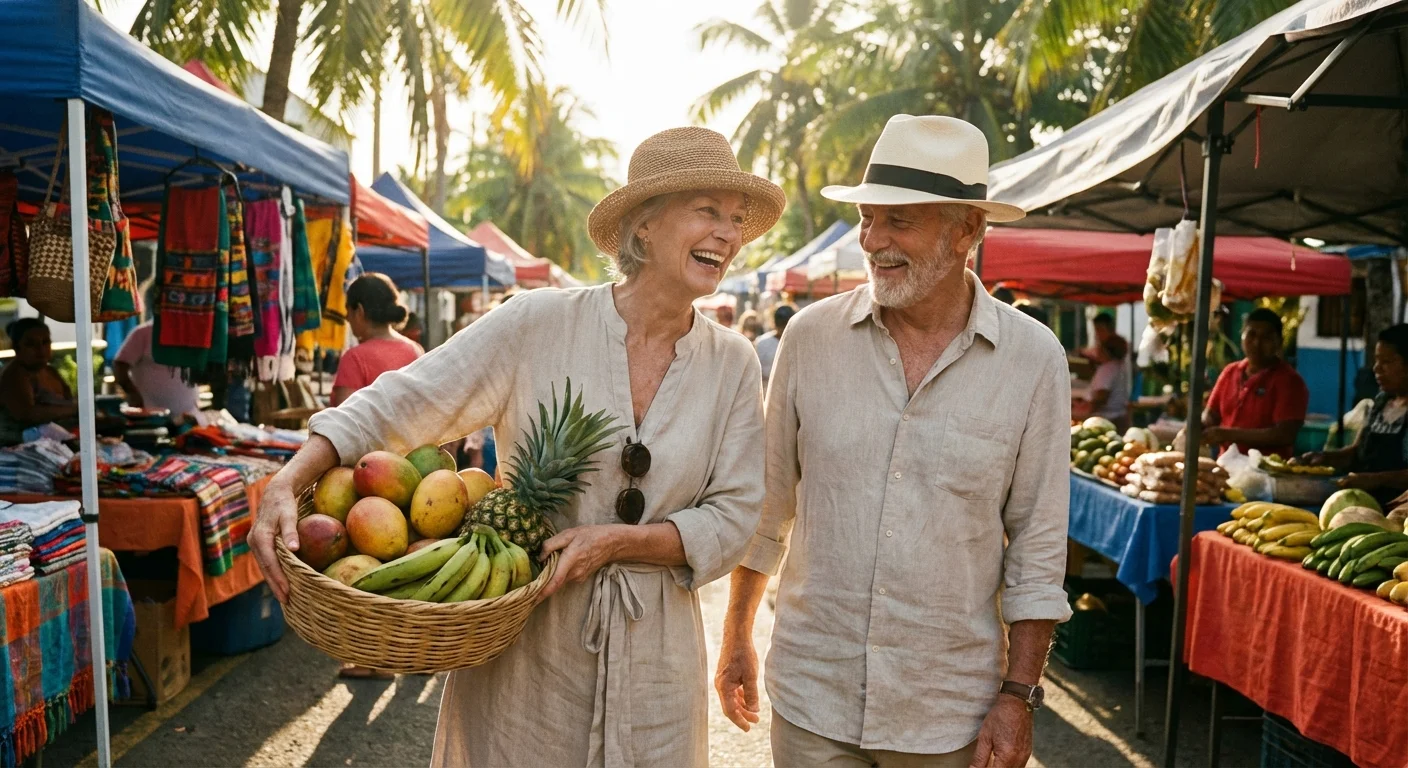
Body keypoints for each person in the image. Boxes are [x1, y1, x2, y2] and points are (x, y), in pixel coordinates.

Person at [250, 126, 784, 767]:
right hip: (528, 644)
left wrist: (621, 542)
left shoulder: (730, 362)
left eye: (735, 219)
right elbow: (402, 402)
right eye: (707, 212)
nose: (728, 234)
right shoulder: (536, 323)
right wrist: (288, 479)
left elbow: (734, 515)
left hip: (657, 663)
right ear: (644, 226)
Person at [716, 115, 1072, 768]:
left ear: (968, 228)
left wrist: (1018, 695)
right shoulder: (811, 339)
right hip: (811, 698)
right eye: (867, 219)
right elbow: (768, 506)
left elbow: (1039, 549)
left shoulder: (1033, 360)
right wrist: (736, 631)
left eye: (898, 221)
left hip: (947, 714)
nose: (873, 241)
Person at [1298, 324, 1408, 508]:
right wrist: (1325, 458)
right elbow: (1357, 452)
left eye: (1387, 362)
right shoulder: (1381, 402)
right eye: (1376, 361)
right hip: (1362, 506)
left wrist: (1376, 480)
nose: (1377, 369)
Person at [1202, 308, 1308, 459]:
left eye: (1266, 337)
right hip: (1225, 466)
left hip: (1267, 473)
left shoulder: (1290, 381)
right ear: (1242, 336)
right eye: (1251, 334)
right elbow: (1212, 414)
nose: (1257, 343)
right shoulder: (1230, 372)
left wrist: (1226, 434)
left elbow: (1284, 434)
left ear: (1279, 342)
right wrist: (1201, 424)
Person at [330, 273, 424, 407]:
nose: (347, 318)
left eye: (348, 311)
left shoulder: (355, 358)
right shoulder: (415, 350)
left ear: (359, 311)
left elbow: (344, 420)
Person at [0, 318, 77, 446]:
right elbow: (28, 414)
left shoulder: (51, 371)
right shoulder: (13, 375)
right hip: (19, 452)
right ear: (16, 347)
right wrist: (73, 409)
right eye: (31, 344)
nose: (40, 349)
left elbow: (70, 402)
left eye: (45, 342)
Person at [114, 322, 201, 417]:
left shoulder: (191, 332)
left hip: (189, 416)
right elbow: (120, 365)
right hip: (152, 419)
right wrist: (133, 394)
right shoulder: (142, 333)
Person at [1082, 334, 1131, 432]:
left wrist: (1085, 414)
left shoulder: (1107, 369)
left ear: (1104, 351)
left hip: (1105, 420)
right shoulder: (1121, 366)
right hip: (1120, 416)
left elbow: (1102, 396)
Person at [755, 303, 795, 390]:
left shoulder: (798, 343)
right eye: (781, 324)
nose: (783, 328)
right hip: (766, 392)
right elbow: (756, 373)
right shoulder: (762, 343)